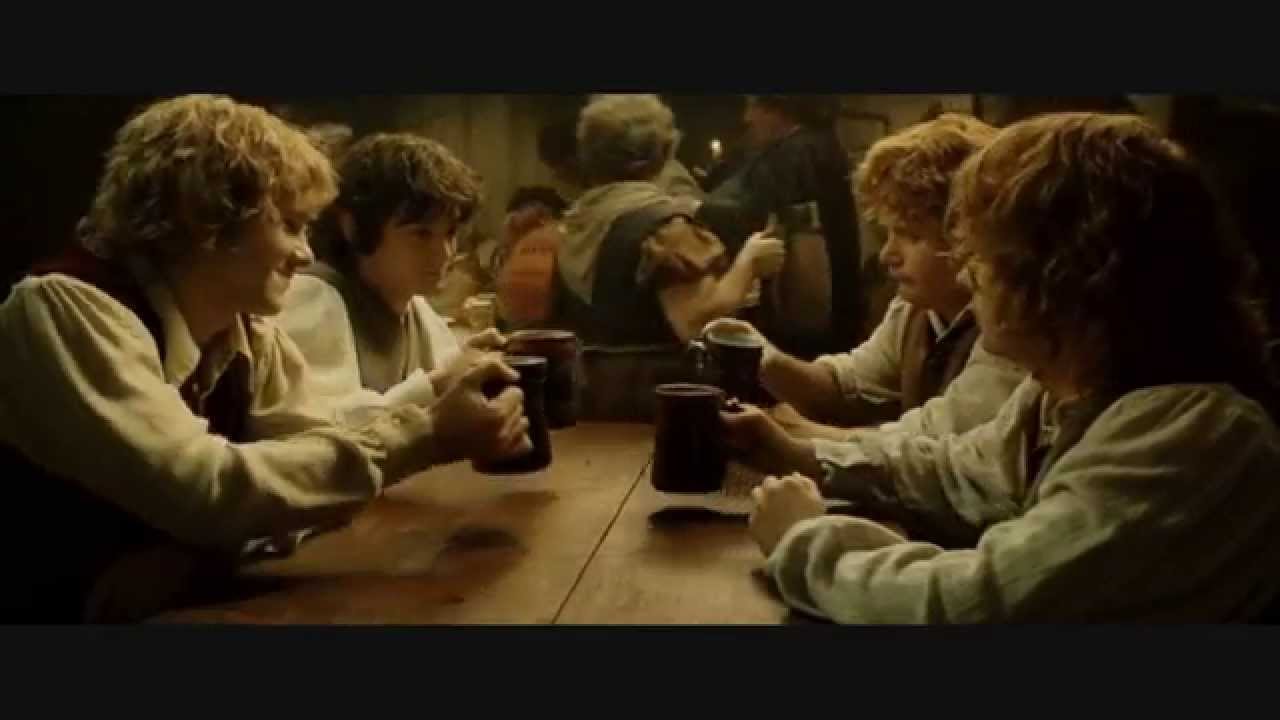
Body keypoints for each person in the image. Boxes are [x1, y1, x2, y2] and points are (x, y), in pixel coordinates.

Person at [725, 112, 1280, 623]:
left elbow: (981, 600)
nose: (968, 275)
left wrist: (805, 540)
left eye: (984, 254)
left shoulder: (1194, 431)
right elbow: (953, 472)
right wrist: (804, 457)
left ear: (1065, 270)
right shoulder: (1060, 397)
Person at [0, 95, 529, 622]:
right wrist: (428, 435)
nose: (306, 252)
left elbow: (313, 472)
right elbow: (207, 489)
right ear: (208, 219)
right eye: (291, 225)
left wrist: (207, 546)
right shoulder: (64, 308)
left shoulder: (246, 332)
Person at [705, 114, 1025, 442]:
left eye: (911, 235)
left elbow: (931, 447)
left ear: (969, 236)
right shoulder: (917, 308)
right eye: (888, 233)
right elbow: (847, 386)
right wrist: (762, 357)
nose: (888, 255)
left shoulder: (1011, 329)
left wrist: (792, 432)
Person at [277, 132, 502, 419]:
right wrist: (435, 384)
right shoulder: (313, 297)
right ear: (354, 227)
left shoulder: (416, 308)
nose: (444, 253)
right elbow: (317, 428)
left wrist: (474, 364)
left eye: (450, 233)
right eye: (421, 234)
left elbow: (448, 380)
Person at [555, 94, 784, 346]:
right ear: (664, 152)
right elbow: (698, 323)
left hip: (596, 369)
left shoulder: (577, 221)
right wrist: (749, 263)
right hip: (660, 370)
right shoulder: (666, 229)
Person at [695, 95, 864, 358]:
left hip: (797, 313)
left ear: (782, 107)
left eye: (755, 106)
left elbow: (748, 212)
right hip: (838, 310)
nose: (747, 117)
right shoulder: (822, 146)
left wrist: (694, 209)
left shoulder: (795, 154)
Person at [537, 114, 704, 203]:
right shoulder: (585, 189)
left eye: (564, 168)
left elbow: (695, 218)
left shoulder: (661, 174)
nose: (562, 178)